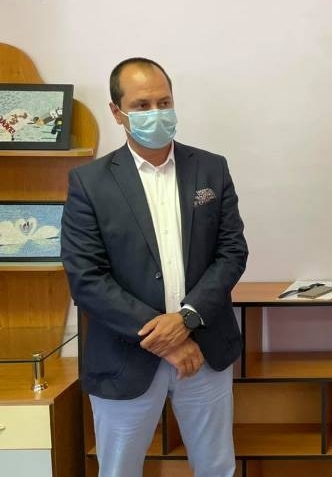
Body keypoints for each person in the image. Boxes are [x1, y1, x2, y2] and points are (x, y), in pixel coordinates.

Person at [61, 57, 248, 477]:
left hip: (204, 350)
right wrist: (164, 338)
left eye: (164, 102)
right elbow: (86, 277)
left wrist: (186, 319)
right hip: (124, 357)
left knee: (216, 467)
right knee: (119, 470)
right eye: (142, 105)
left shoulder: (211, 168)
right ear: (117, 112)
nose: (156, 113)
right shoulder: (89, 182)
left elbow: (232, 252)